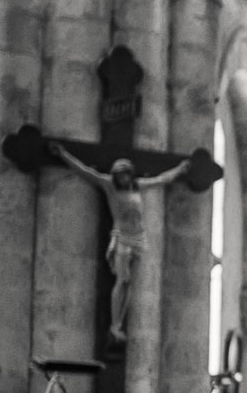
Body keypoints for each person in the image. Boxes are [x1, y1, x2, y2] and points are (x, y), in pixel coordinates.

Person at [49, 142, 190, 342]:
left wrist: (180, 169)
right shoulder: (109, 186)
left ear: (130, 174)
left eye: (126, 174)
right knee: (122, 280)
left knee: (129, 283)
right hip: (123, 238)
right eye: (120, 175)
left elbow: (161, 180)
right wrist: (63, 154)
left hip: (139, 238)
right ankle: (115, 325)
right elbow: (85, 171)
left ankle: (119, 324)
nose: (123, 178)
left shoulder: (137, 186)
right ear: (115, 175)